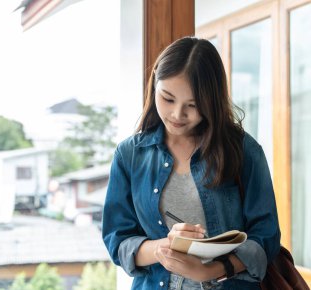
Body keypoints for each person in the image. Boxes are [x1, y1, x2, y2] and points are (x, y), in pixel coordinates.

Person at [102, 36, 280, 290]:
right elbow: (118, 241)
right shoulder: (130, 154)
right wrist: (166, 246)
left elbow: (266, 236)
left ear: (212, 102)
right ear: (155, 85)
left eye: (193, 105)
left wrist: (209, 270)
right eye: (167, 98)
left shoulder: (243, 151)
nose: (177, 115)